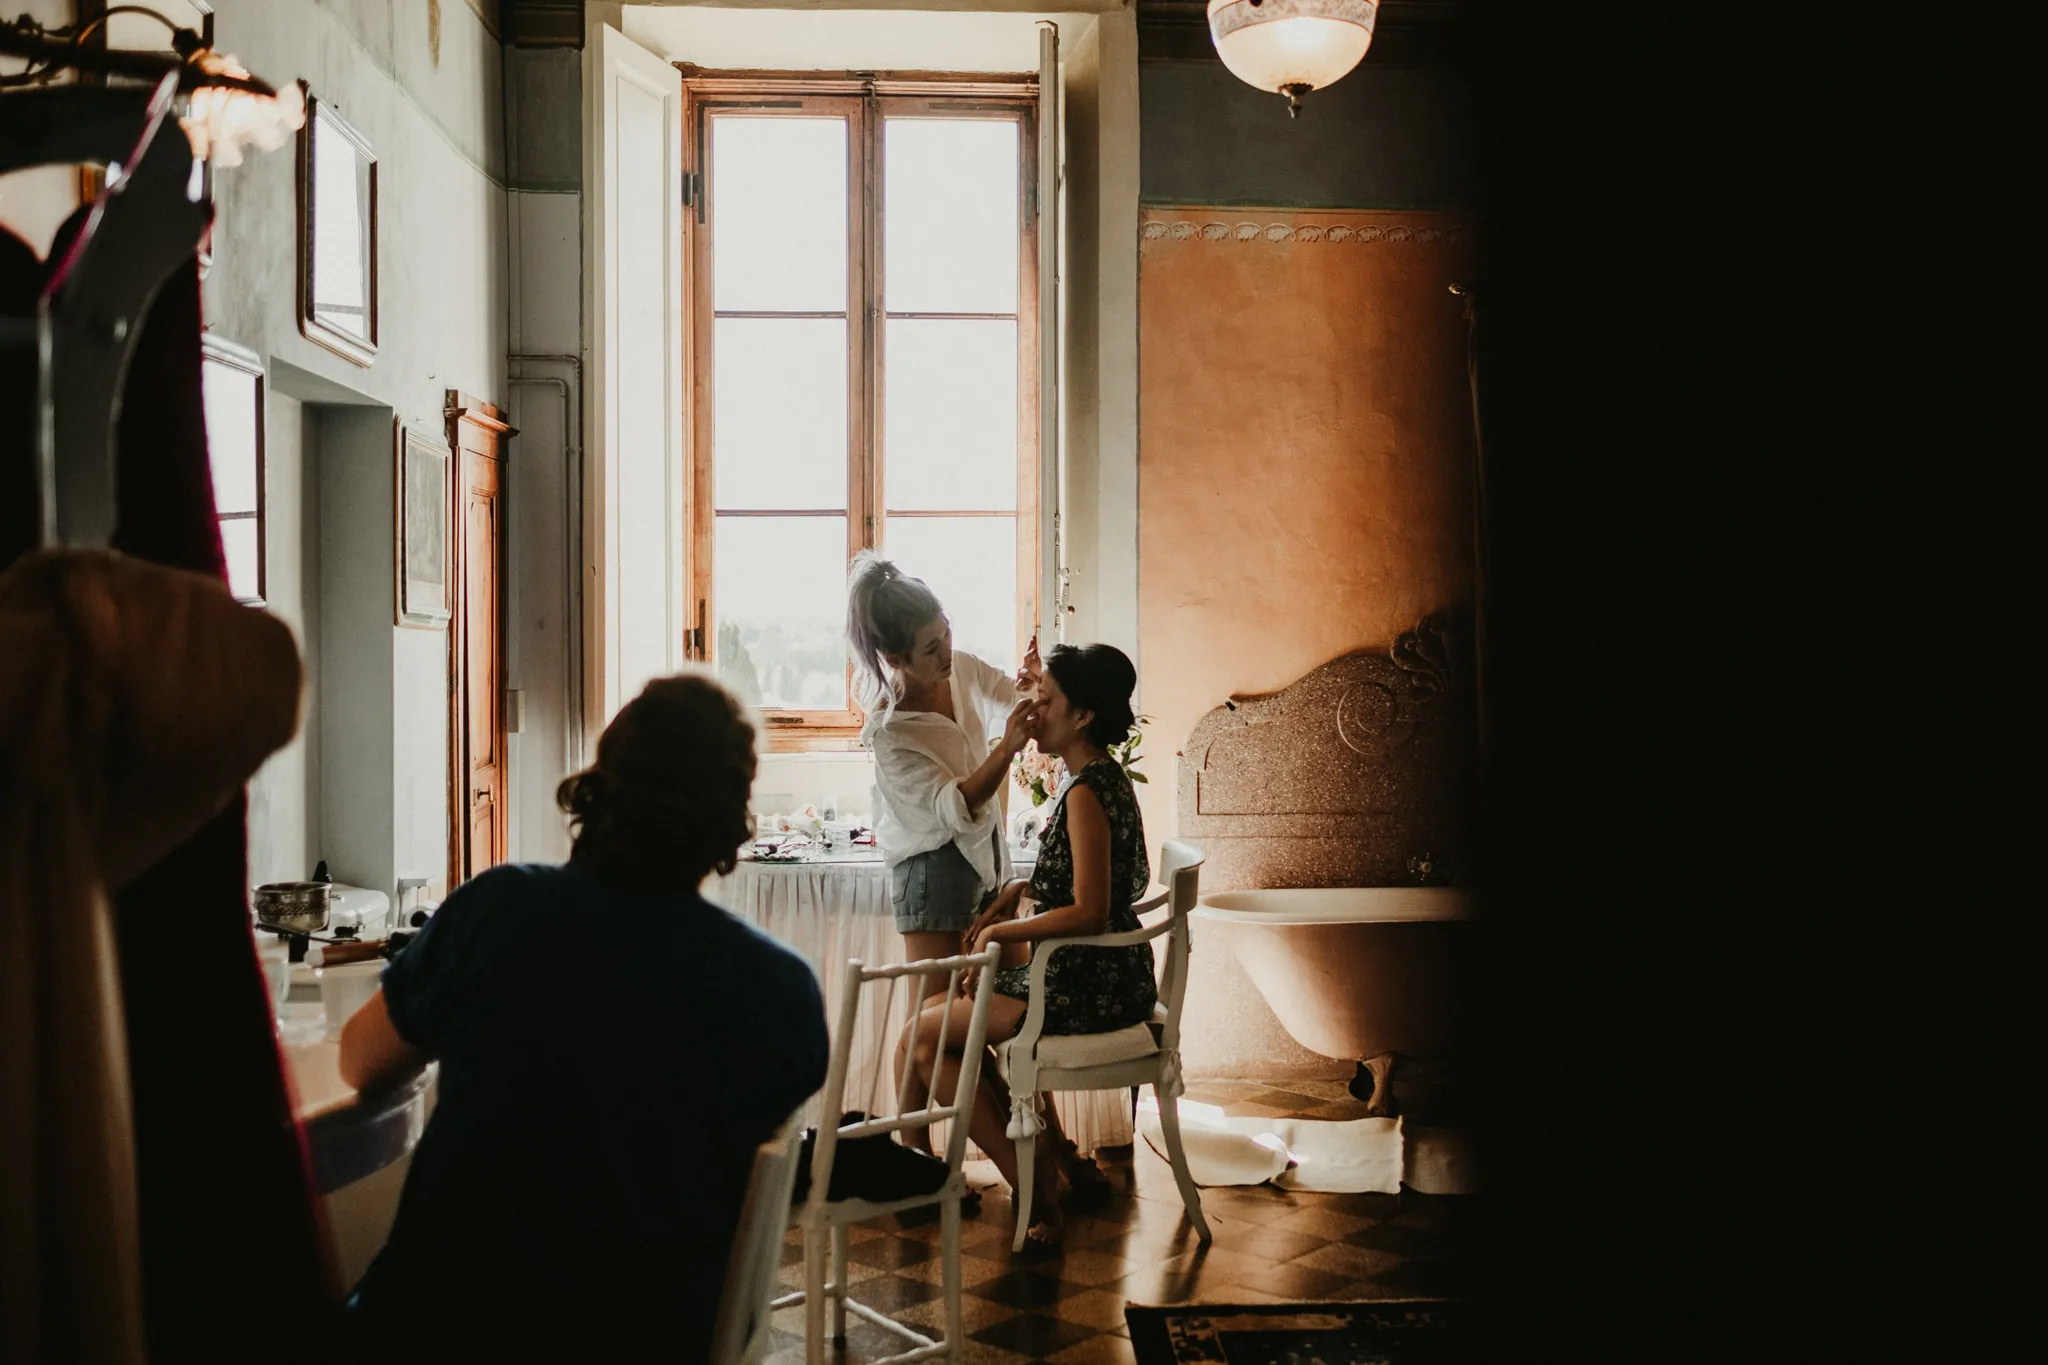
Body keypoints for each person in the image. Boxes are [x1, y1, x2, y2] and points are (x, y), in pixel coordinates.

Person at [338, 675, 829, 1363]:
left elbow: (359, 1059)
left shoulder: (497, 909)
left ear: (601, 786)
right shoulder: (782, 991)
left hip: (443, 1331)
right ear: (732, 819)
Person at [900, 643, 1155, 1246]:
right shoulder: (1093, 779)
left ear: (1083, 716)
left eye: (1047, 700)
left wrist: (999, 930)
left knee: (924, 1041)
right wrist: (1017, 887)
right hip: (1100, 971)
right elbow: (1083, 882)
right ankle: (1045, 1166)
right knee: (938, 1029)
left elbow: (1090, 910)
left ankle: (1037, 1191)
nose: (1034, 711)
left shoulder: (1088, 791)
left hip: (1089, 982)